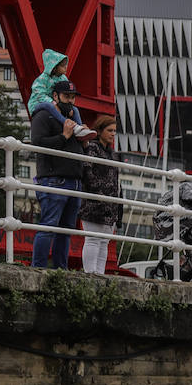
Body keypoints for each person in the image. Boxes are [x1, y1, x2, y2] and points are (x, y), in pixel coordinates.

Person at [29, 80, 86, 269]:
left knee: (65, 231)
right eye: (66, 96)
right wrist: (64, 136)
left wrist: (83, 142)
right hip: (54, 179)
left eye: (72, 97)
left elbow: (75, 148)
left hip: (74, 180)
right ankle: (38, 268)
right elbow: (37, 143)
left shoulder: (73, 117)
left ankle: (61, 270)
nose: (70, 100)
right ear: (55, 96)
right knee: (48, 227)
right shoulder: (43, 114)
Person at [78, 115, 120, 275]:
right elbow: (87, 171)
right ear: (100, 130)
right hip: (94, 201)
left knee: (104, 242)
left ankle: (99, 273)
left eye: (114, 131)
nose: (113, 134)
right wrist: (98, 193)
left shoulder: (112, 153)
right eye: (110, 130)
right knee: (93, 239)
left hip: (109, 203)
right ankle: (90, 273)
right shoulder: (92, 148)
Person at [26, 49, 94, 141]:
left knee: (75, 109)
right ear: (54, 67)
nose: (66, 67)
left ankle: (80, 128)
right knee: (49, 105)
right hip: (38, 103)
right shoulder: (42, 79)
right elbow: (39, 94)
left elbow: (66, 89)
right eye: (62, 66)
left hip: (54, 102)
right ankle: (70, 124)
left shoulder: (63, 78)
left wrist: (69, 108)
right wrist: (53, 103)